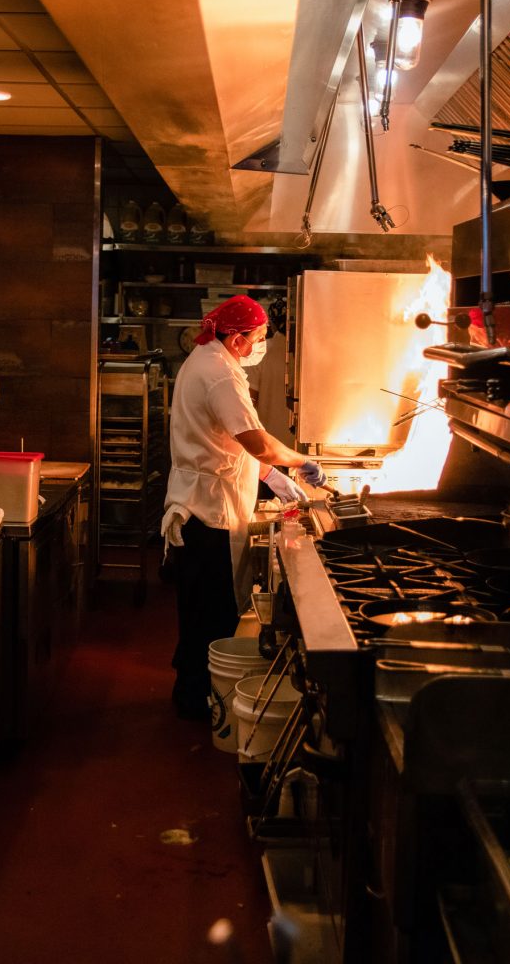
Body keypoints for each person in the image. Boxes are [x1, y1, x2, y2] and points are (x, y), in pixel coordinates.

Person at [161, 294, 327, 719]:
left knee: (198, 609)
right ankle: (200, 703)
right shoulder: (220, 373)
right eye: (256, 339)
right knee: (211, 615)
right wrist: (298, 462)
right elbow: (258, 442)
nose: (258, 346)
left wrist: (270, 477)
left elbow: (224, 440)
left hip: (198, 503)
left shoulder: (207, 359)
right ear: (236, 339)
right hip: (207, 512)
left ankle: (192, 686)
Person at [245, 296, 293, 447]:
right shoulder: (313, 353)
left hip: (269, 445)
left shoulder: (258, 352)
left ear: (271, 323)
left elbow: (248, 400)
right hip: (307, 447)